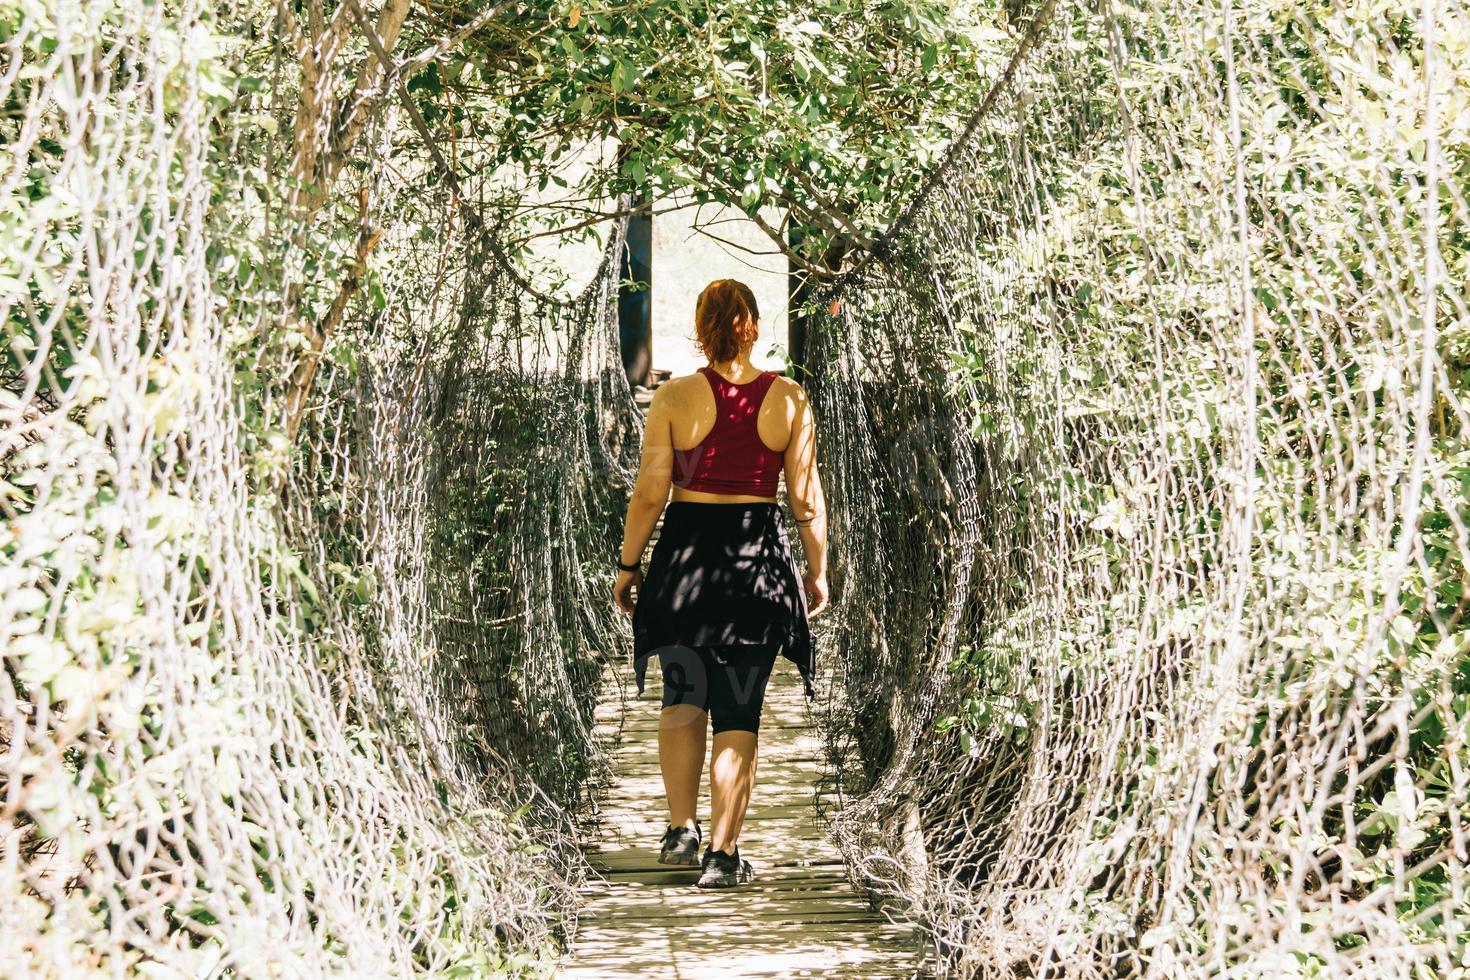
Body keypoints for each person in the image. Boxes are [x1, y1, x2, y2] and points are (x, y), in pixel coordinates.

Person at [612, 278, 829, 889]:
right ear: (753, 326)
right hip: (754, 564)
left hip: (685, 562)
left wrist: (630, 567)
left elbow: (652, 493)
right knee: (739, 708)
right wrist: (817, 572)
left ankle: (681, 826)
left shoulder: (673, 398)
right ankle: (722, 854)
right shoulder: (789, 400)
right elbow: (806, 502)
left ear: (701, 328)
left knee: (683, 693)